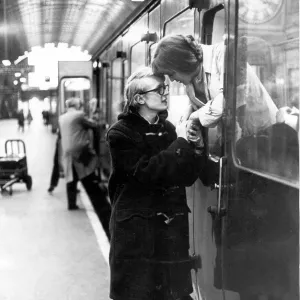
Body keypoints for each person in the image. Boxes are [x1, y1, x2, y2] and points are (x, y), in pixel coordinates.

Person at [106, 67, 205, 300]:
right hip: (138, 238)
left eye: (166, 88)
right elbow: (147, 172)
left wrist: (197, 148)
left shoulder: (168, 129)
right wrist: (180, 141)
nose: (165, 93)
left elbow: (186, 176)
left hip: (169, 236)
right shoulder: (120, 134)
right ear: (139, 98)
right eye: (159, 89)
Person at [152, 34, 278, 141]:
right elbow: (200, 109)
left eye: (171, 74)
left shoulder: (223, 55)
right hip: (235, 140)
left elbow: (227, 99)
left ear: (182, 63)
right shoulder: (190, 83)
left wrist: (194, 116)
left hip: (264, 133)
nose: (172, 80)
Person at [59, 97, 111, 238]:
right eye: (80, 105)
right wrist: (99, 121)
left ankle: (71, 203)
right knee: (88, 174)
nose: (81, 106)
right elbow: (93, 125)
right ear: (76, 106)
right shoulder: (79, 115)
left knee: (72, 177)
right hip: (80, 152)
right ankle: (101, 204)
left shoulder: (62, 117)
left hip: (67, 152)